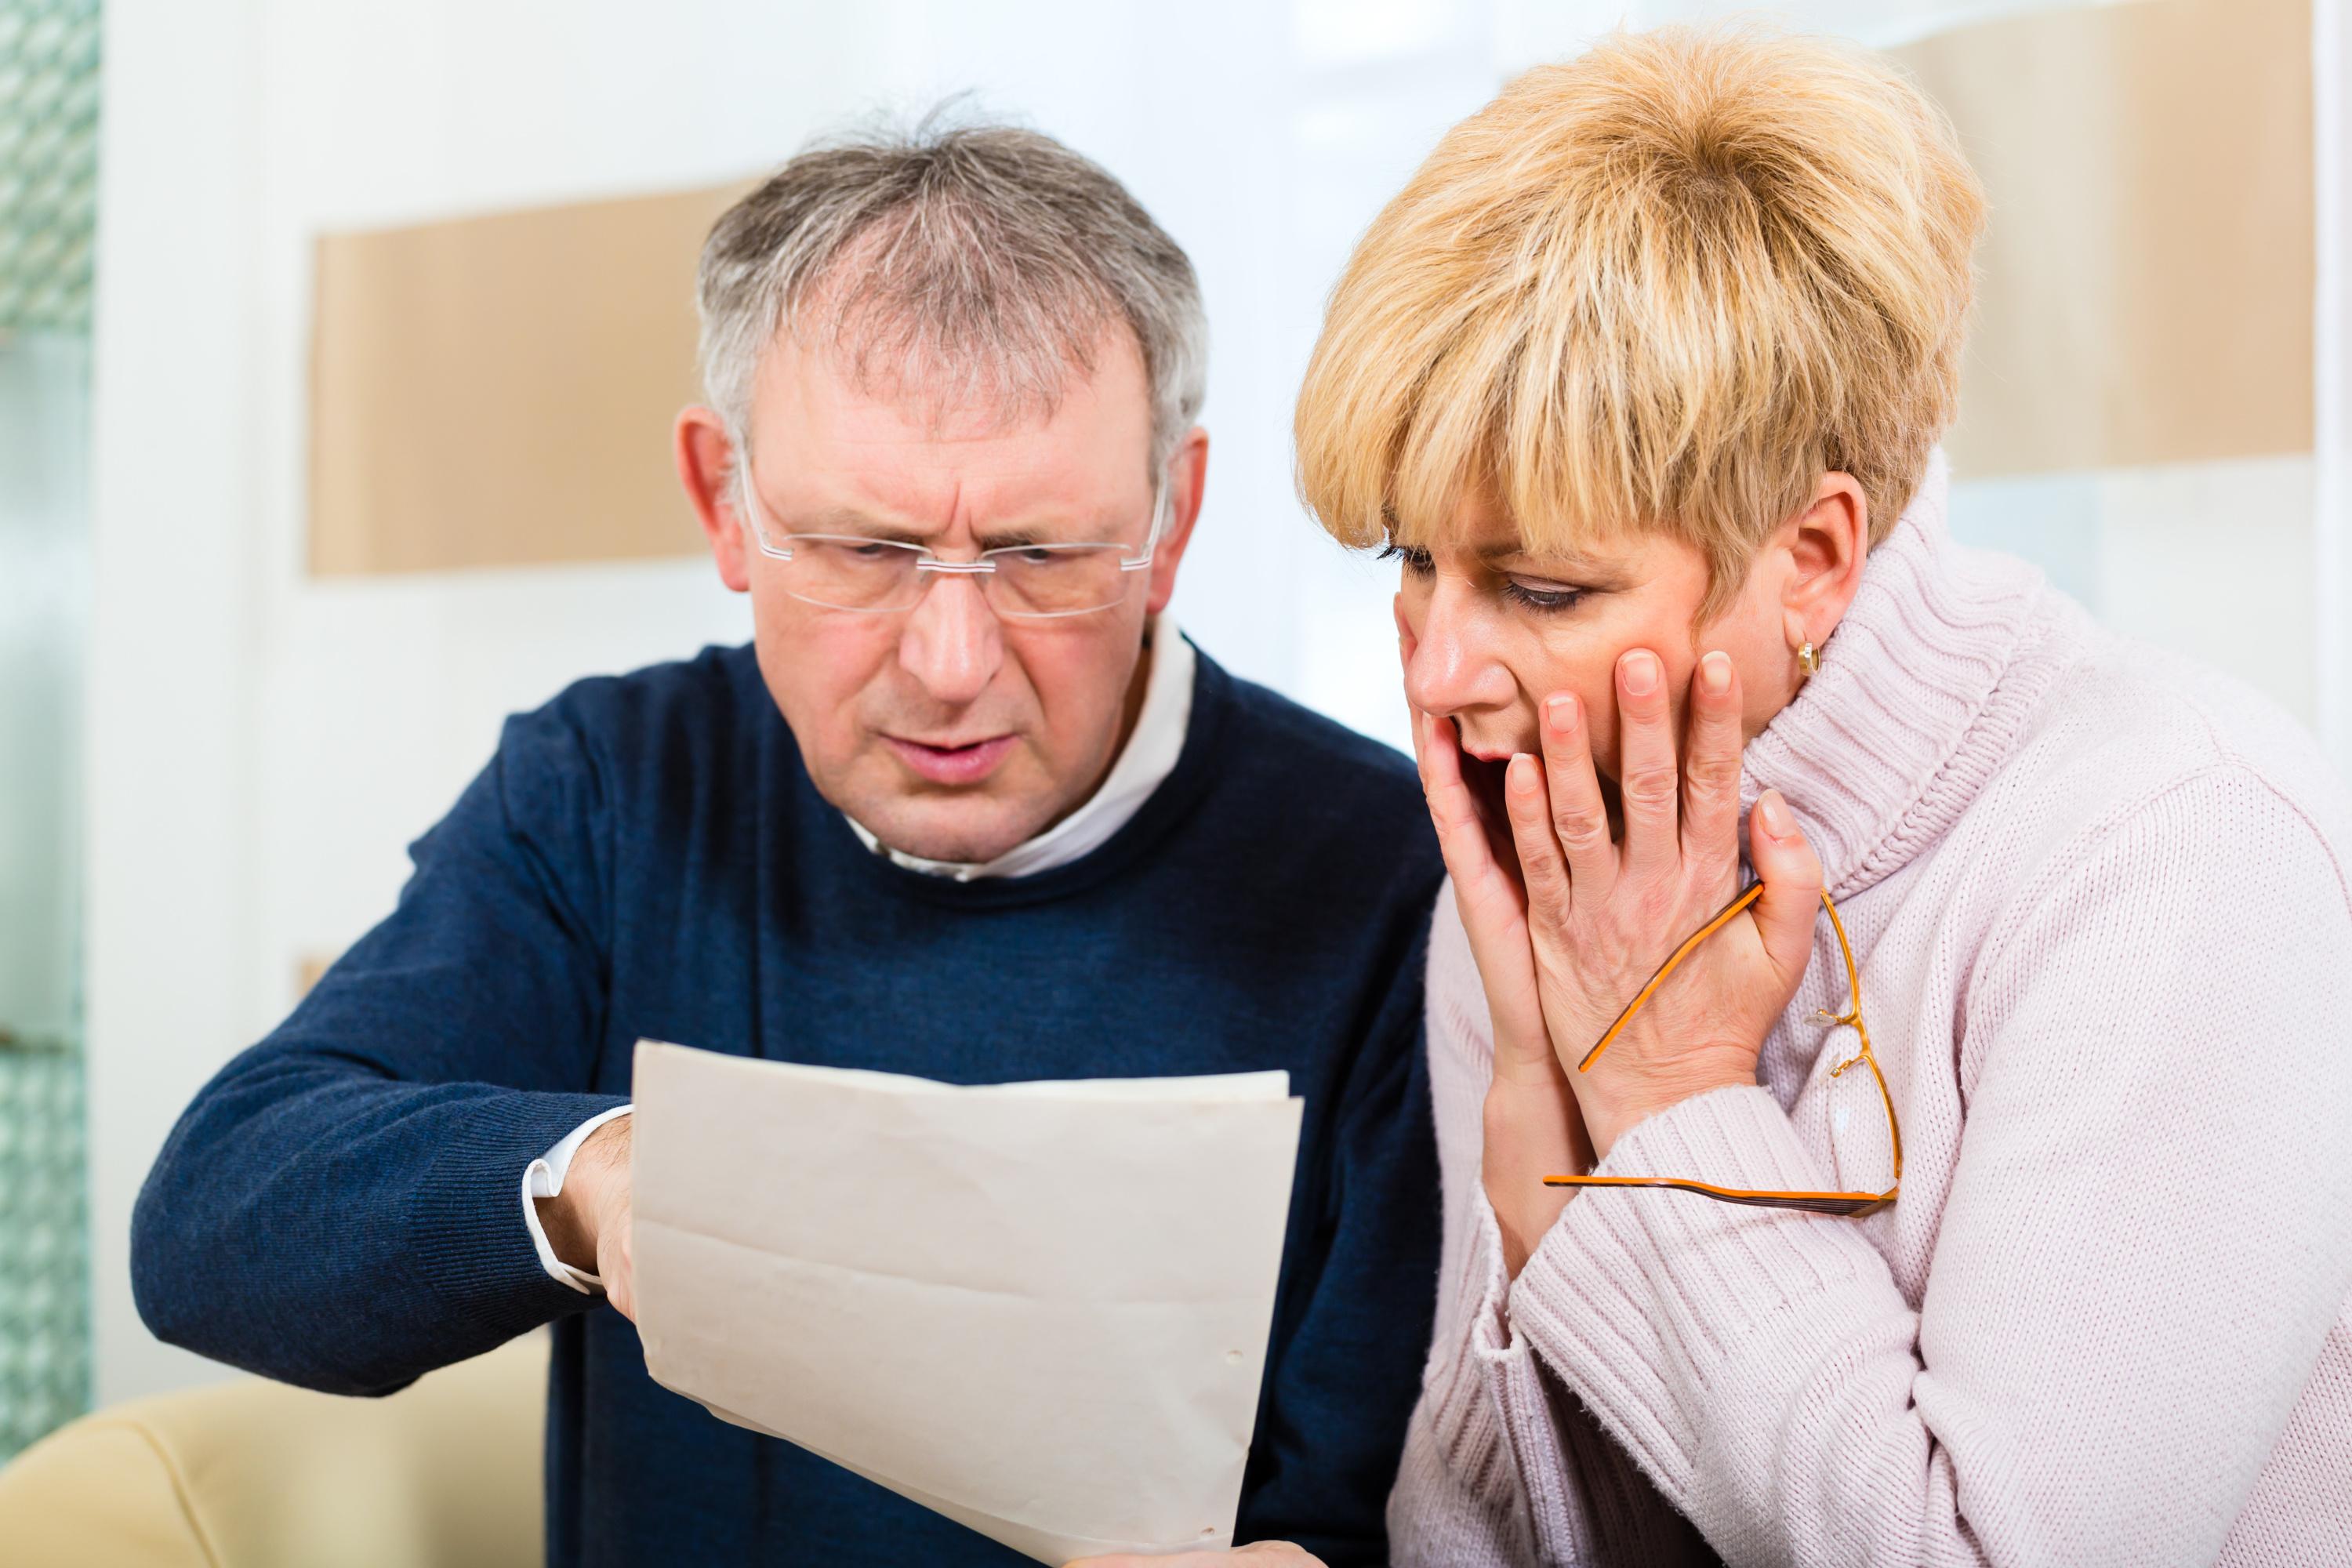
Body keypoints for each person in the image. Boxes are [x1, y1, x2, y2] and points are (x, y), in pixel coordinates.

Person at [131, 120, 1444, 1568]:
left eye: (1041, 559)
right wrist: (601, 1182)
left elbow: (1396, 1497)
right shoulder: (612, 788)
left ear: (1172, 519)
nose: (952, 663)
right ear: (724, 504)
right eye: (866, 553)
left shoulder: (1390, 876)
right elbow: (214, 1225)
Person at [1282, 24, 2352, 1567]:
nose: (1441, 668)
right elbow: (1480, 1538)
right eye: (1414, 562)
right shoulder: (1542, 854)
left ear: (1815, 556)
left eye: (1540, 586)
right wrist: (1536, 1131)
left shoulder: (2175, 841)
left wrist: (1668, 1101)